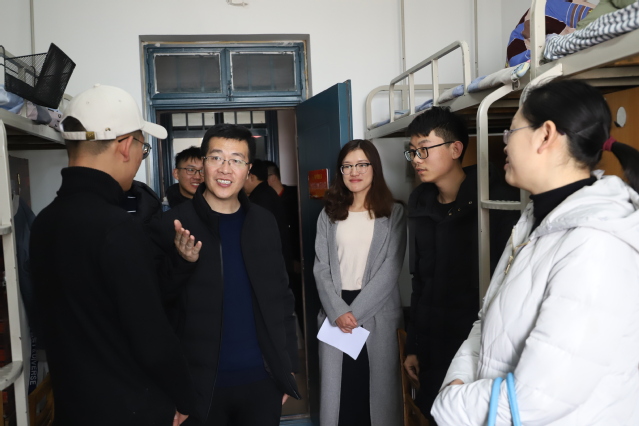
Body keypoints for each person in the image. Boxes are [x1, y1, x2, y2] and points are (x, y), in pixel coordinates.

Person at [432, 80, 639, 425]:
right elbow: (488, 321)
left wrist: (449, 404)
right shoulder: (535, 220)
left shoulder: (596, 245)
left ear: (545, 135)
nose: (504, 141)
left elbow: (535, 401)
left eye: (511, 131)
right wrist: (456, 382)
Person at [29, 84, 195, 426]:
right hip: (130, 409)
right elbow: (151, 337)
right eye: (142, 148)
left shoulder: (44, 221)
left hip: (74, 404)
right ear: (124, 145)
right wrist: (183, 396)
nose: (138, 159)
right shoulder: (117, 228)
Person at [149, 123, 300, 426]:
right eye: (216, 157)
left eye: (236, 160)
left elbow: (282, 297)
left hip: (262, 381)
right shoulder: (171, 225)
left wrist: (287, 367)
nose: (225, 168)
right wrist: (182, 262)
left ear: (248, 169)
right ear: (203, 164)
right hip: (199, 387)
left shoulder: (263, 222)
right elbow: (152, 309)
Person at [402, 107, 519, 424]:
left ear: (455, 149)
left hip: (472, 347)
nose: (416, 159)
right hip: (431, 344)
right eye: (412, 151)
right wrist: (413, 346)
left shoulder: (496, 201)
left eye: (424, 149)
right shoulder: (421, 202)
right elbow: (420, 280)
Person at [314, 139, 406, 426]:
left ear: (374, 167)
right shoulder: (329, 214)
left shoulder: (393, 212)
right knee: (341, 395)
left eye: (362, 164)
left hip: (376, 309)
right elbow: (321, 267)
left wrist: (354, 313)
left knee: (376, 396)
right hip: (336, 308)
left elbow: (391, 269)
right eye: (347, 166)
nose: (354, 172)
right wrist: (338, 311)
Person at [264, 160, 304, 335]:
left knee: (301, 305)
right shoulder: (266, 201)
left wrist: (296, 258)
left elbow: (298, 232)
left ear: (272, 178)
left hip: (296, 262)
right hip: (278, 264)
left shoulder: (295, 196)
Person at [243, 158, 291, 262]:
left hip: (269, 260)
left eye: (243, 177)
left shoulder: (259, 200)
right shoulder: (267, 193)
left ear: (252, 177)